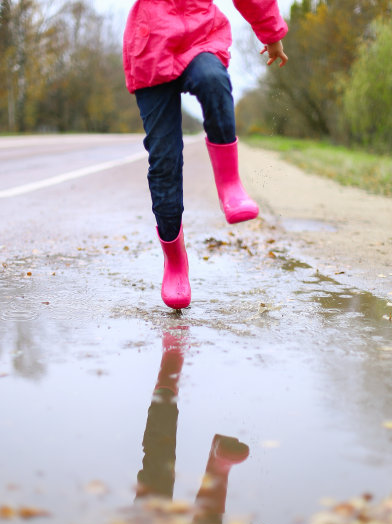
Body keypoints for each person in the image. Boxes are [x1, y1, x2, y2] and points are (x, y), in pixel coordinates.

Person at [123, 0, 288, 310]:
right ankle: (175, 261)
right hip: (150, 47)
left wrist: (271, 33)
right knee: (164, 159)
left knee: (213, 80)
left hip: (200, 36)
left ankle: (230, 186)